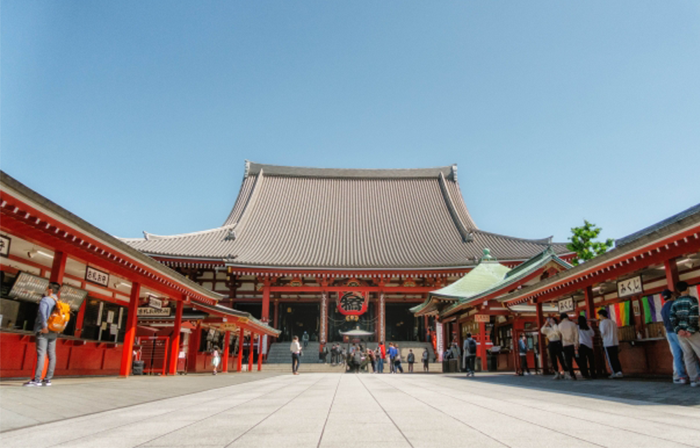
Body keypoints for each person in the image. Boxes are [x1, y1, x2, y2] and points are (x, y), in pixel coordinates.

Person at [24, 282, 61, 387]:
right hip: (54, 331)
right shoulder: (58, 302)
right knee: (52, 354)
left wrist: (44, 327)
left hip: (43, 330)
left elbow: (42, 314)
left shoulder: (46, 300)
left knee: (41, 354)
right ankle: (48, 379)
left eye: (47, 288)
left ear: (50, 290)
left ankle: (37, 379)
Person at [669, 281, 700, 387]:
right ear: (687, 288)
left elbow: (672, 318)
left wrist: (678, 330)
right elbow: (694, 316)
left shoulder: (675, 302)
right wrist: (690, 330)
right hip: (692, 333)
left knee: (688, 356)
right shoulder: (692, 300)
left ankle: (694, 380)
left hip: (681, 334)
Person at [598, 309, 623, 378]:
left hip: (607, 343)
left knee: (610, 359)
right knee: (615, 358)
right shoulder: (613, 322)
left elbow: (603, 333)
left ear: (601, 315)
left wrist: (601, 337)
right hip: (615, 342)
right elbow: (617, 331)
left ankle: (614, 372)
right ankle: (619, 371)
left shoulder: (602, 323)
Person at [558, 313, 579, 380]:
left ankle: (572, 374)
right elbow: (576, 334)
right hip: (573, 344)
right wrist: (576, 343)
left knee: (568, 360)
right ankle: (585, 372)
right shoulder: (572, 324)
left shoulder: (560, 325)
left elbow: (558, 334)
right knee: (577, 358)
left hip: (565, 344)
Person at [577, 315, 596, 379]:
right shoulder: (588, 327)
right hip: (589, 345)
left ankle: (585, 374)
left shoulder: (578, 327)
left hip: (582, 344)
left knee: (583, 361)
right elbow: (593, 334)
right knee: (591, 360)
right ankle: (593, 373)